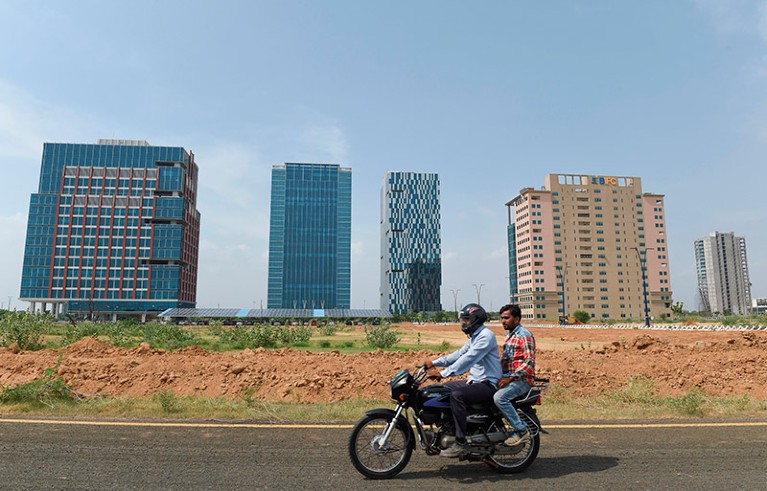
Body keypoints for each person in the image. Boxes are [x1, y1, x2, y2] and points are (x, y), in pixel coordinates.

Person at [424, 303, 501, 458]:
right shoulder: (475, 337)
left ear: (475, 319)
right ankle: (450, 426)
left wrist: (444, 373)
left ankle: (460, 441)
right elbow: (459, 354)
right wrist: (435, 362)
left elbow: (468, 359)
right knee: (444, 390)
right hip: (475, 380)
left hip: (487, 383)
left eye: (466, 319)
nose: (463, 323)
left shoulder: (486, 336)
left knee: (457, 396)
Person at [493, 304, 536, 446]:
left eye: (507, 318)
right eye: (501, 318)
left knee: (500, 398)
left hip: (522, 380)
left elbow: (529, 362)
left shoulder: (524, 335)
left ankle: (521, 430)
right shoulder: (510, 335)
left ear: (517, 319)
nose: (503, 321)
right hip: (508, 378)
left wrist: (510, 377)